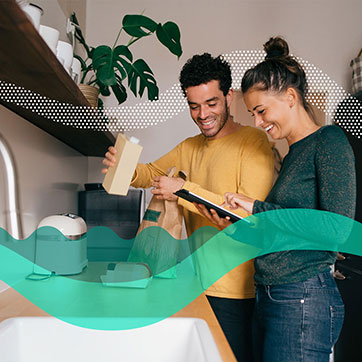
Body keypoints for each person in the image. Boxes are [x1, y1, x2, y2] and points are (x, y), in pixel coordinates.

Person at [102, 53, 275, 361]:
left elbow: (247, 218)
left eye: (211, 103)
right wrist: (124, 168)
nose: (202, 113)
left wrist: (182, 190)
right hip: (197, 287)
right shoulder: (189, 147)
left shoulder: (254, 142)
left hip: (238, 294)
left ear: (229, 97)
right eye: (194, 105)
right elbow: (152, 172)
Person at [195, 37, 357, 362]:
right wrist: (235, 224)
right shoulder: (293, 153)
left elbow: (337, 229)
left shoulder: (329, 141)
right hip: (273, 296)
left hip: (303, 297)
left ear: (291, 97)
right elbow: (284, 230)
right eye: (253, 113)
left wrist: (256, 208)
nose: (257, 122)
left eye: (261, 110)